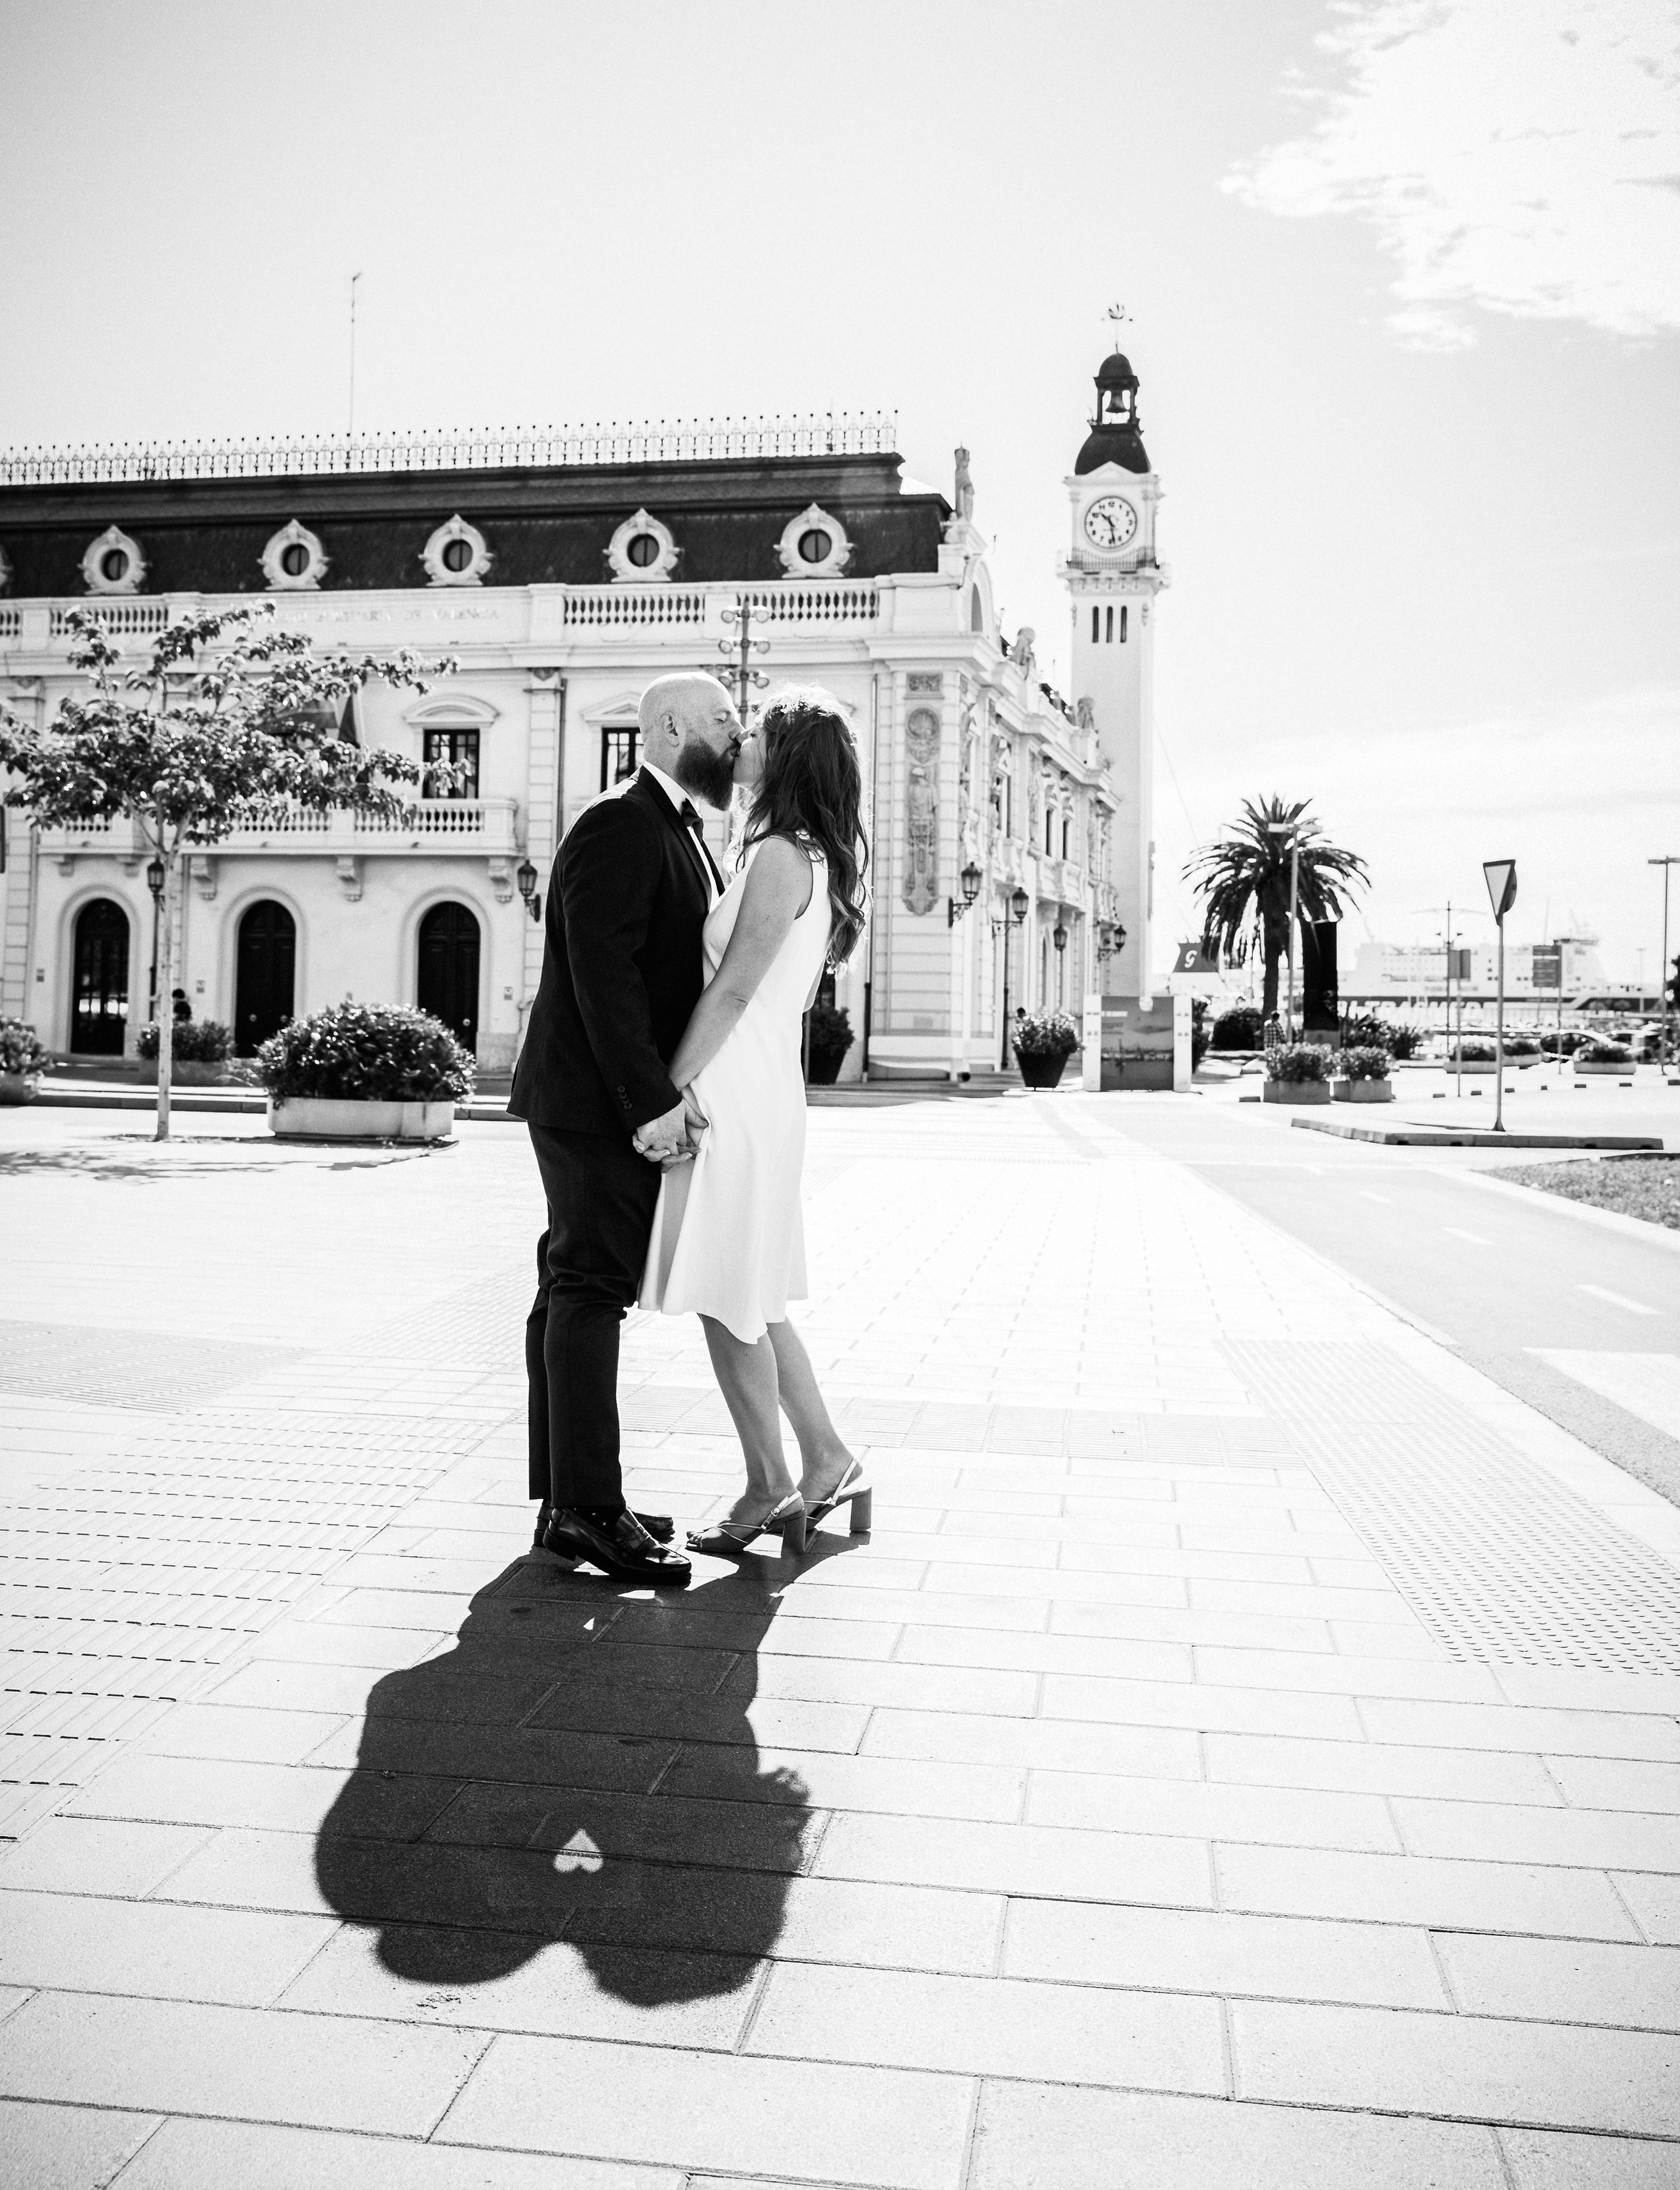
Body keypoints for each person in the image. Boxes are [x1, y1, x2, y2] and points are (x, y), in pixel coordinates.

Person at [507, 671, 744, 1585]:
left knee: (571, 1282)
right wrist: (649, 1101)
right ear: (673, 725)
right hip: (591, 1104)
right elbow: (604, 976)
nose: (737, 735)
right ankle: (589, 1511)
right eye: (724, 720)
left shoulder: (680, 826)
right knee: (590, 1287)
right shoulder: (621, 819)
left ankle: (568, 1496)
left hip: (592, 1100)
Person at [638, 688, 872, 1555]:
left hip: (735, 1089)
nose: (741, 746)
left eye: (758, 737)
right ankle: (825, 1458)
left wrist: (666, 1085)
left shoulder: (779, 856)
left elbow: (733, 988)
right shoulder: (806, 856)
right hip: (762, 1085)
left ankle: (775, 1481)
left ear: (786, 759)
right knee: (751, 1294)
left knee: (731, 1297)